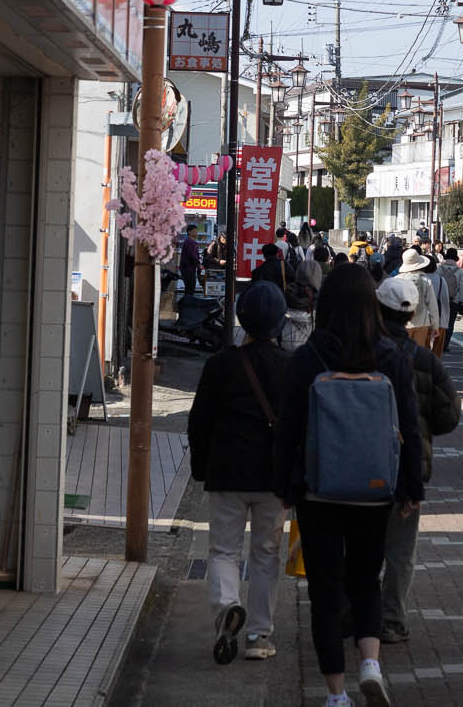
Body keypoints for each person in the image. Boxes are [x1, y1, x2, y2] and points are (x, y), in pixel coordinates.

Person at [273, 266, 423, 707]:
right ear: (370, 307)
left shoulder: (308, 358)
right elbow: (409, 428)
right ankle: (371, 664)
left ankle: (336, 695)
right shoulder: (392, 356)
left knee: (324, 590)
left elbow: (288, 429)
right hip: (374, 489)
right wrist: (410, 487)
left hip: (317, 489)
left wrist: (284, 487)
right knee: (365, 579)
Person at [187, 283, 290, 663]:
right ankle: (259, 636)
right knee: (266, 555)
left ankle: (228, 605)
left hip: (227, 470)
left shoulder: (220, 364)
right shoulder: (291, 366)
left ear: (241, 319)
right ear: (280, 323)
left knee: (224, 551)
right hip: (273, 477)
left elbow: (199, 422)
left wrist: (201, 468)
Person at [373, 275, 460, 645]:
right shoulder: (424, 359)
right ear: (410, 316)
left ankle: (355, 612)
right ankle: (391, 619)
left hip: (364, 465)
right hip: (410, 466)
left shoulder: (363, 352)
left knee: (361, 544)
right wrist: (424, 430)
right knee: (400, 550)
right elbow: (450, 413)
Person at [395, 247, 441, 349]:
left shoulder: (396, 280)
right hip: (421, 324)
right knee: (417, 355)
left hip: (401, 325)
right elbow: (433, 306)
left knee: (401, 354)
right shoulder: (426, 281)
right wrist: (435, 326)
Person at [435, 246, 463, 354]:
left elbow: (436, 283)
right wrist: (461, 300)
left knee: (439, 321)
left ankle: (437, 342)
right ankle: (446, 344)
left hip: (440, 300)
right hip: (453, 301)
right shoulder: (459, 271)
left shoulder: (439, 268)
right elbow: (462, 287)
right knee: (450, 323)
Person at [178, 223, 203, 298]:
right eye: (194, 231)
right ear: (189, 232)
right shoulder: (189, 242)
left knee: (190, 287)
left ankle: (188, 302)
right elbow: (192, 255)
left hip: (190, 268)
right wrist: (199, 263)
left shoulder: (192, 242)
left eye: (196, 231)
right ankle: (187, 303)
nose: (196, 232)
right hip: (187, 268)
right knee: (190, 287)